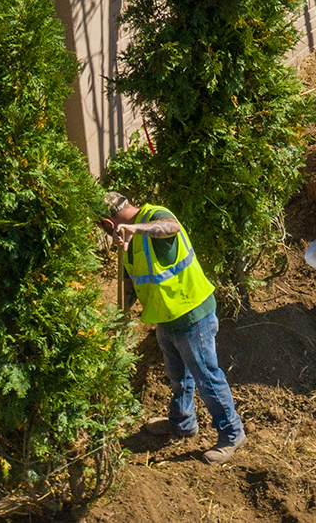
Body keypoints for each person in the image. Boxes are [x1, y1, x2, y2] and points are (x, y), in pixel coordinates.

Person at [102, 194, 244, 464]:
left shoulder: (154, 217)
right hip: (165, 317)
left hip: (192, 314)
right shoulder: (128, 241)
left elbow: (172, 227)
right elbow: (134, 278)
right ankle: (182, 423)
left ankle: (232, 433)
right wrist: (122, 316)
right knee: (178, 376)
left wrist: (135, 229)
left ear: (109, 223)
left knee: (206, 377)